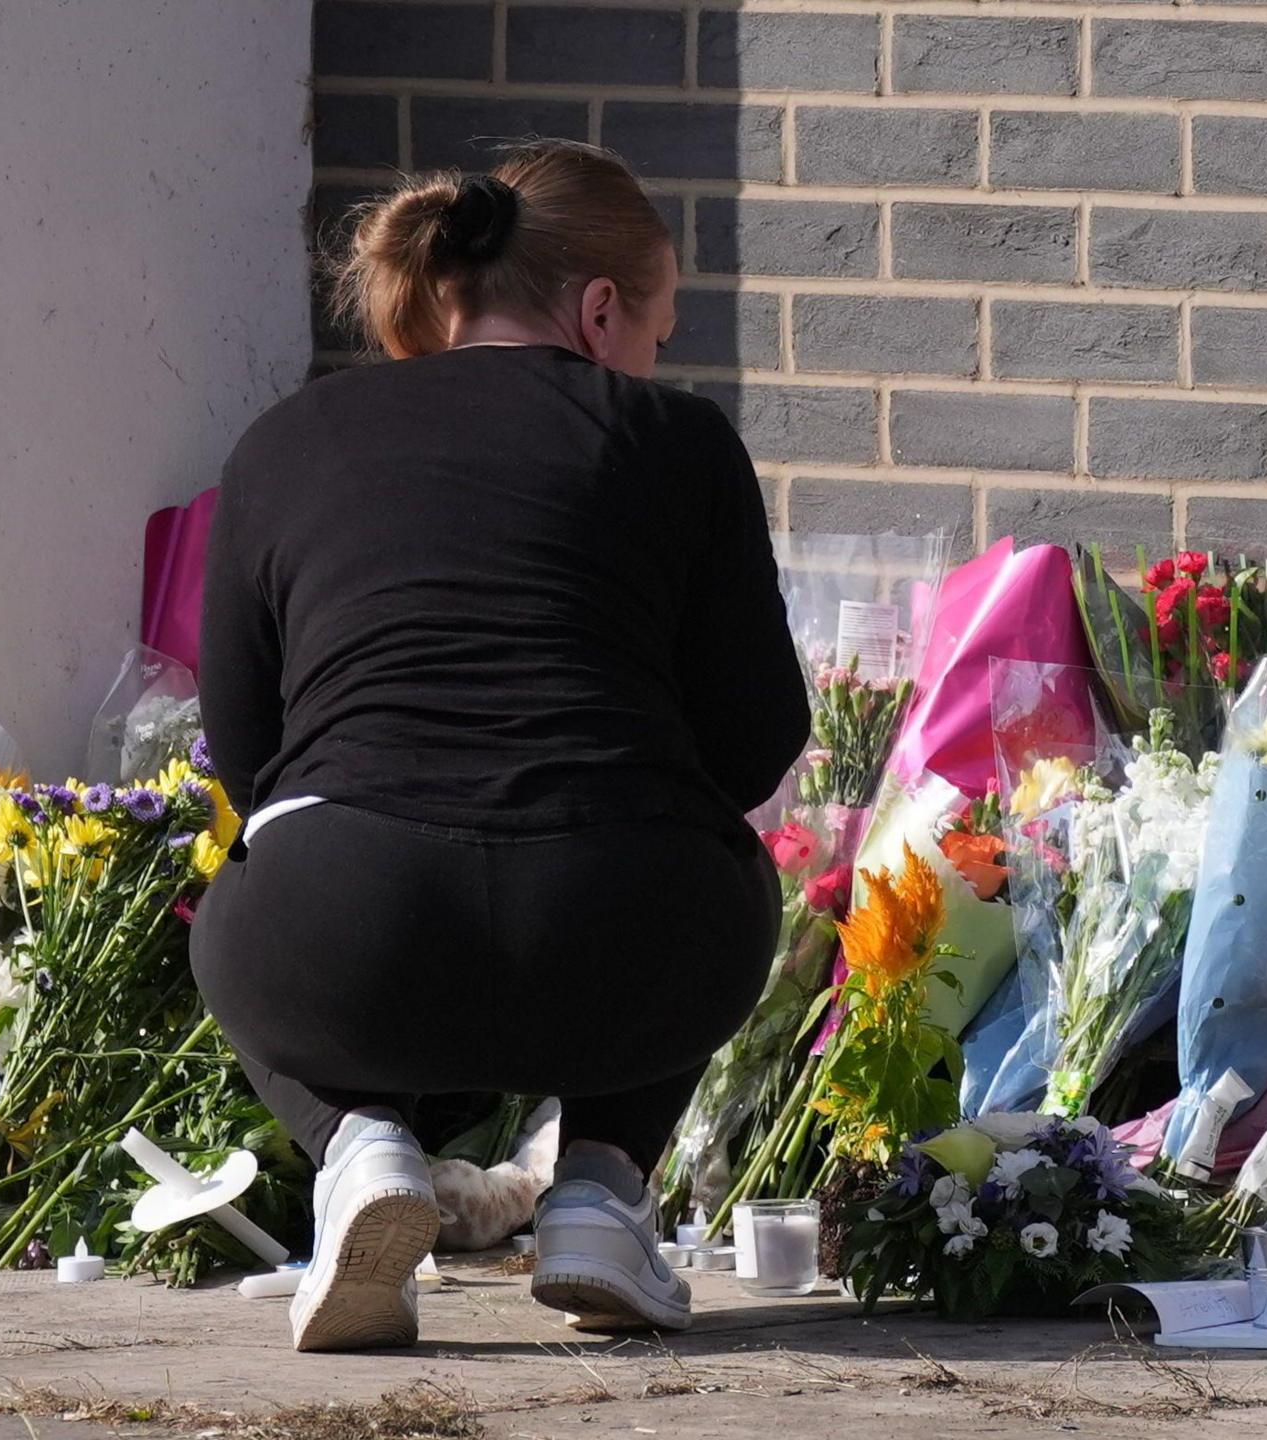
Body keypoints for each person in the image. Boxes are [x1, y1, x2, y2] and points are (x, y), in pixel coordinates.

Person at [190, 141, 806, 1353]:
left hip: (348, 929)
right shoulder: (675, 441)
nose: (654, 362)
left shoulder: (286, 438)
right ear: (595, 311)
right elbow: (756, 737)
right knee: (717, 861)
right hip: (626, 929)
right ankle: (598, 1192)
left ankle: (361, 1149)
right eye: (658, 331)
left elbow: (244, 749)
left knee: (238, 896)